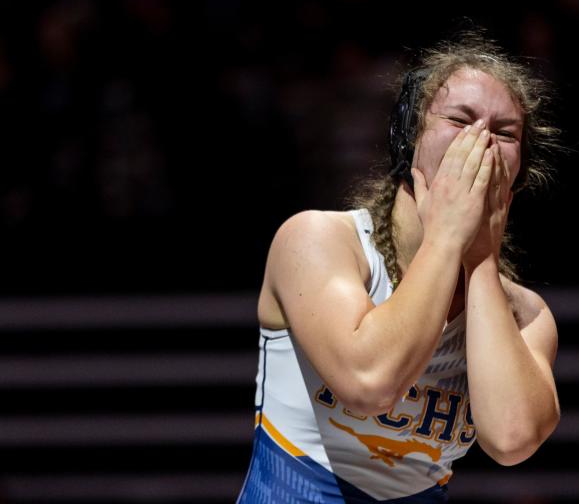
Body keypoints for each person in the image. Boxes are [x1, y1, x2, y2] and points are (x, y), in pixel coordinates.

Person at [237, 31, 561, 503]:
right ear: (410, 138)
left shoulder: (525, 314)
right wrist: (448, 238)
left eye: (505, 132)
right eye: (460, 120)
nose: (481, 142)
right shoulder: (318, 241)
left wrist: (482, 261)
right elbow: (369, 383)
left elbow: (513, 439)